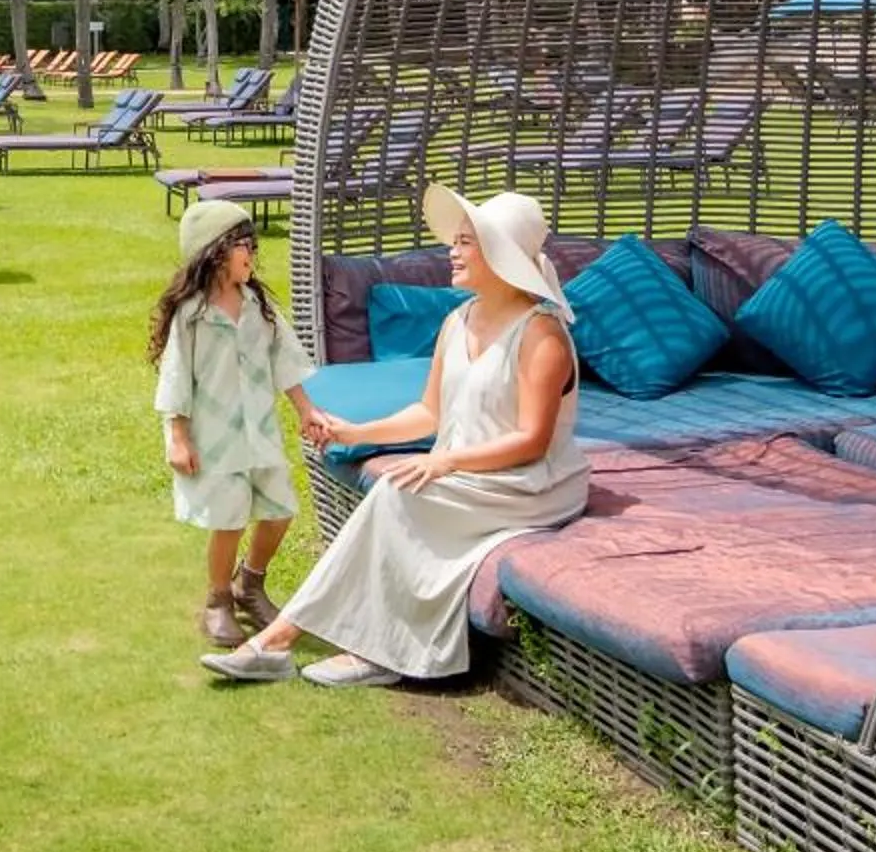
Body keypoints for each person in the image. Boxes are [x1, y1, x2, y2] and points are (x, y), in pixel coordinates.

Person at [202, 185, 589, 687]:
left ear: (501, 254)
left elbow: (532, 440)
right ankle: (319, 645)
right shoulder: (458, 321)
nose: (451, 250)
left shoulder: (542, 334)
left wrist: (444, 463)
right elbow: (429, 413)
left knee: (395, 495)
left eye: (467, 242)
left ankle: (287, 644)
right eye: (456, 240)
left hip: (530, 486)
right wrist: (357, 431)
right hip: (475, 476)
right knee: (395, 494)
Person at [154, 200, 326, 647]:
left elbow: (284, 359)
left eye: (252, 246)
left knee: (281, 511)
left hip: (260, 433)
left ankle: (249, 585)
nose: (252, 255)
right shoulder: (191, 315)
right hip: (216, 439)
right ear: (215, 253)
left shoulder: (259, 305)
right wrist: (177, 437)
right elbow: (175, 377)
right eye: (244, 246)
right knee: (228, 520)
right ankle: (217, 602)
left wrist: (306, 410)